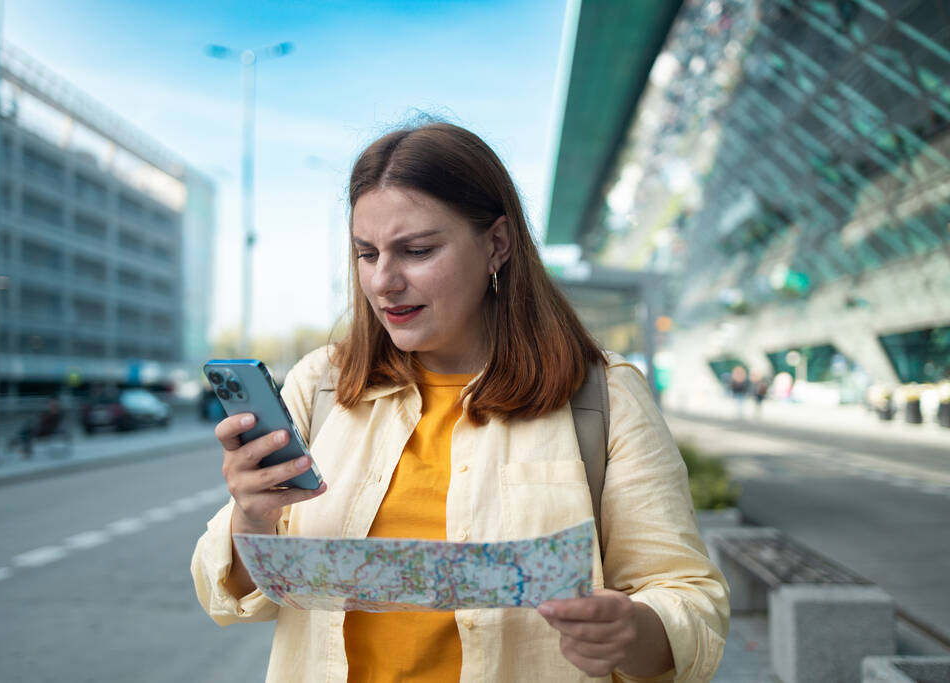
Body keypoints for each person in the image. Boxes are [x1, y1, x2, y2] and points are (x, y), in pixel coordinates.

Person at [192, 121, 729, 682]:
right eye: (366, 253)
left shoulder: (605, 396)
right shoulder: (322, 384)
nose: (383, 281)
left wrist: (633, 631)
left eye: (417, 250)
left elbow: (691, 600)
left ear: (497, 243)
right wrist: (252, 515)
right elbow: (226, 593)